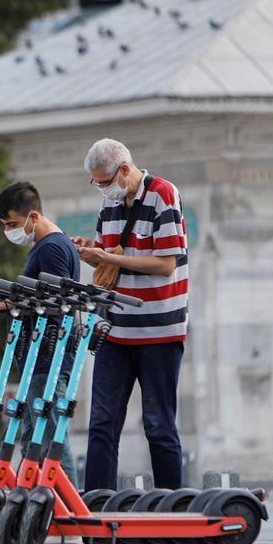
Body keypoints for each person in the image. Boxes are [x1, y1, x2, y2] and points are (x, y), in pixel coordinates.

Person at [73, 138, 187, 491]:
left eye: (105, 183)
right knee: (102, 424)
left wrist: (111, 259)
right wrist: (90, 252)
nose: (102, 190)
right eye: (97, 184)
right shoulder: (108, 207)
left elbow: (165, 264)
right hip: (114, 330)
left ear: (124, 170)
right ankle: (95, 509)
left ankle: (173, 508)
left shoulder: (163, 194)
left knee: (158, 425)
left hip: (158, 330)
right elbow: (107, 255)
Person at [0, 181, 79, 487]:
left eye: (12, 223)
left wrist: (11, 301)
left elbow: (56, 299)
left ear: (34, 216)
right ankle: (36, 501)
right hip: (38, 358)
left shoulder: (51, 247)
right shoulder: (49, 245)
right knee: (34, 435)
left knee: (50, 436)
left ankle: (70, 508)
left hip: (47, 357)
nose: (9, 231)